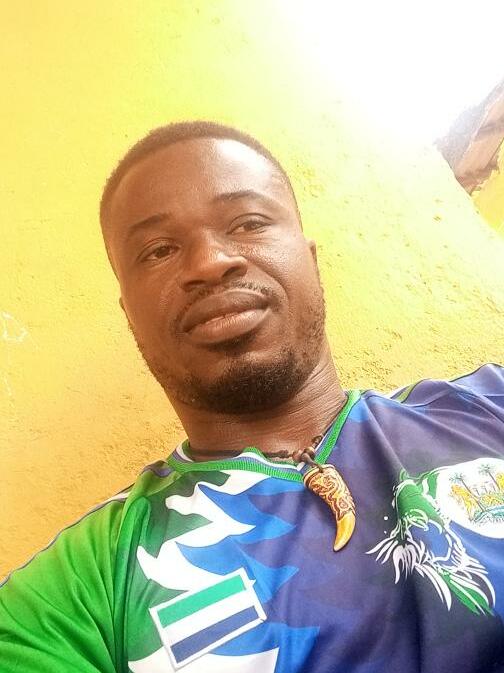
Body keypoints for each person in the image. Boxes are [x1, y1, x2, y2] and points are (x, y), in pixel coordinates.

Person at [1, 121, 503, 673]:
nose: (209, 262)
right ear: (129, 315)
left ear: (311, 260)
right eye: (159, 250)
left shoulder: (488, 406)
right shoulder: (75, 592)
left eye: (248, 222)